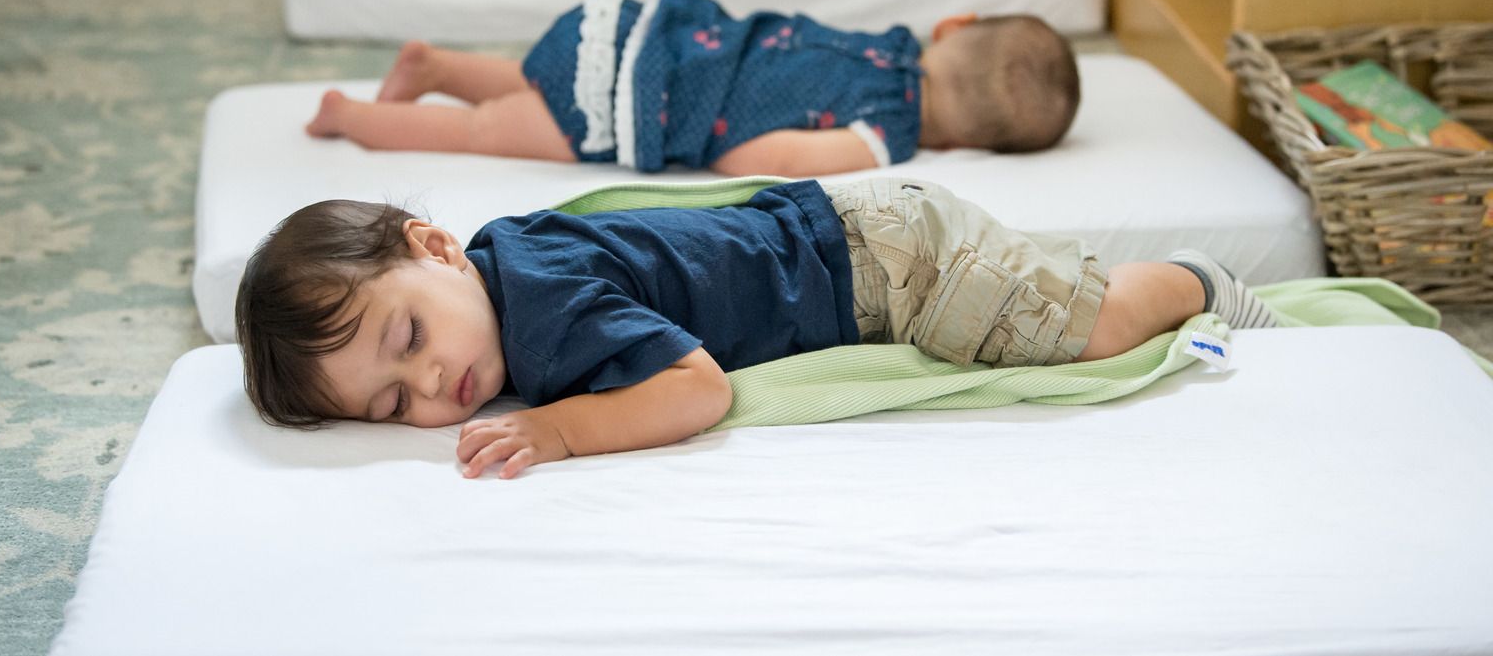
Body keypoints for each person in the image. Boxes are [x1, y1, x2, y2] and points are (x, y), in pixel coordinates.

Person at [234, 177, 1280, 480]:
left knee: (1084, 326)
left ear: (439, 245)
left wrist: (558, 431)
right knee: (1045, 286)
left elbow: (697, 388)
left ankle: (1193, 280)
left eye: (412, 339)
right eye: (392, 401)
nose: (436, 384)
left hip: (889, 271)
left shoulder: (544, 315)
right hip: (855, 225)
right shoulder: (507, 258)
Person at [305, 0, 1080, 177]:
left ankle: (435, 67)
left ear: (955, 26)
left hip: (659, 40)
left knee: (537, 81)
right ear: (976, 143)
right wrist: (726, 162)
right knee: (488, 132)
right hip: (663, 106)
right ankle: (354, 116)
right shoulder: (883, 135)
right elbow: (765, 156)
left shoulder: (889, 41)